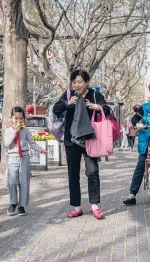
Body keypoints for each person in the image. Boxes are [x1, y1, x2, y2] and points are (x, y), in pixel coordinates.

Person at [53, 70, 110, 220]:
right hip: (71, 140)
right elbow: (55, 109)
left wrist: (96, 107)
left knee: (92, 172)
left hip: (91, 139)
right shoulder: (68, 95)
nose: (77, 85)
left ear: (87, 82)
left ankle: (95, 205)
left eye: (80, 82)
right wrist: (67, 104)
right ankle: (76, 207)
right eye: (74, 82)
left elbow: (107, 109)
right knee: (73, 174)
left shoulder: (95, 95)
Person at [4, 106, 46, 216]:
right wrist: (15, 132)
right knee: (12, 181)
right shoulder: (8, 131)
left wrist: (41, 150)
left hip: (24, 157)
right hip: (12, 157)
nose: (18, 121)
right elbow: (7, 143)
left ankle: (22, 205)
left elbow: (32, 143)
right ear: (11, 119)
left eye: (21, 118)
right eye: (16, 118)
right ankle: (13, 202)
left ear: (24, 119)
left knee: (24, 182)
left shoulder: (26, 130)